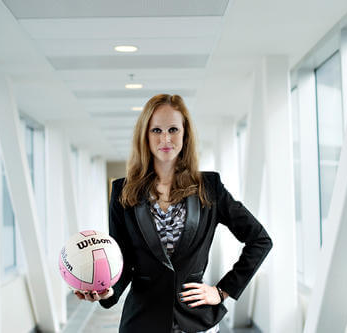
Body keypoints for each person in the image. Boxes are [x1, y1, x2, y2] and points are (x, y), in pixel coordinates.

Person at [75, 94, 273, 333]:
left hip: (196, 320)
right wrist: (107, 291)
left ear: (185, 134)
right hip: (142, 320)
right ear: (144, 136)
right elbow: (122, 260)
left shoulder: (209, 187)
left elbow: (260, 240)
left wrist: (222, 291)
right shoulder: (123, 191)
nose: (165, 138)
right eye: (156, 130)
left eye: (173, 129)